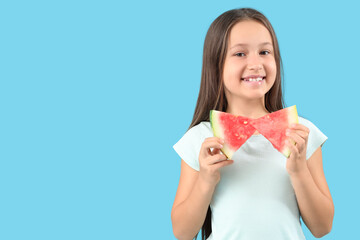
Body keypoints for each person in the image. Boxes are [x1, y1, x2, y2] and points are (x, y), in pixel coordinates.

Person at [171, 8, 334, 240]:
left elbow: (322, 227)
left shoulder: (301, 133)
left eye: (265, 52)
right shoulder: (201, 139)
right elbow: (182, 232)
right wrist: (205, 179)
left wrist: (299, 171)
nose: (256, 63)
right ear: (216, 65)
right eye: (240, 54)